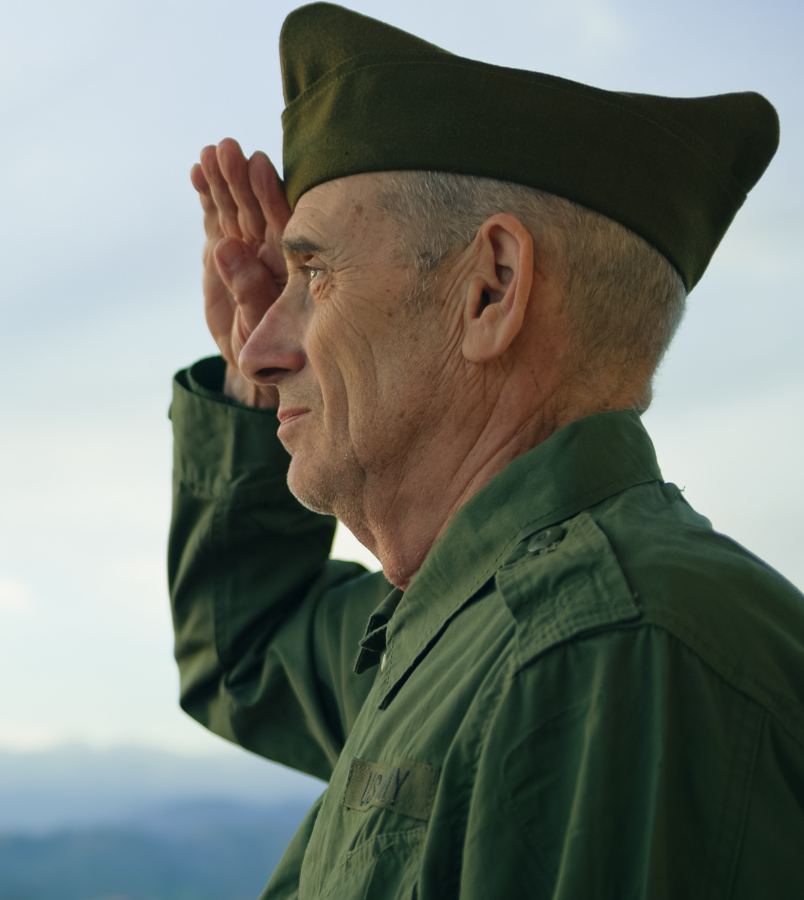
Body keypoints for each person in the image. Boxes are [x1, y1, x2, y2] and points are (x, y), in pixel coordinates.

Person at [168, 4, 804, 897]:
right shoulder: (481, 621)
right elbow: (248, 653)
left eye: (316, 277)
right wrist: (256, 380)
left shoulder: (609, 658)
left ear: (490, 290)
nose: (263, 351)